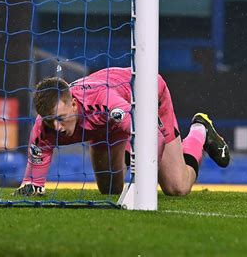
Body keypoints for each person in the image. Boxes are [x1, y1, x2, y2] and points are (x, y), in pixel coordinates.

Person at [14, 67, 230, 196]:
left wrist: (140, 181)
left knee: (177, 187)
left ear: (72, 104)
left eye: (61, 119)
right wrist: (29, 188)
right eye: (51, 122)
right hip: (105, 127)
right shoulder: (43, 128)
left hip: (144, 100)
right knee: (111, 191)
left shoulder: (106, 103)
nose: (57, 128)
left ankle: (201, 130)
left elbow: (151, 135)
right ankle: (125, 152)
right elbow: (32, 184)